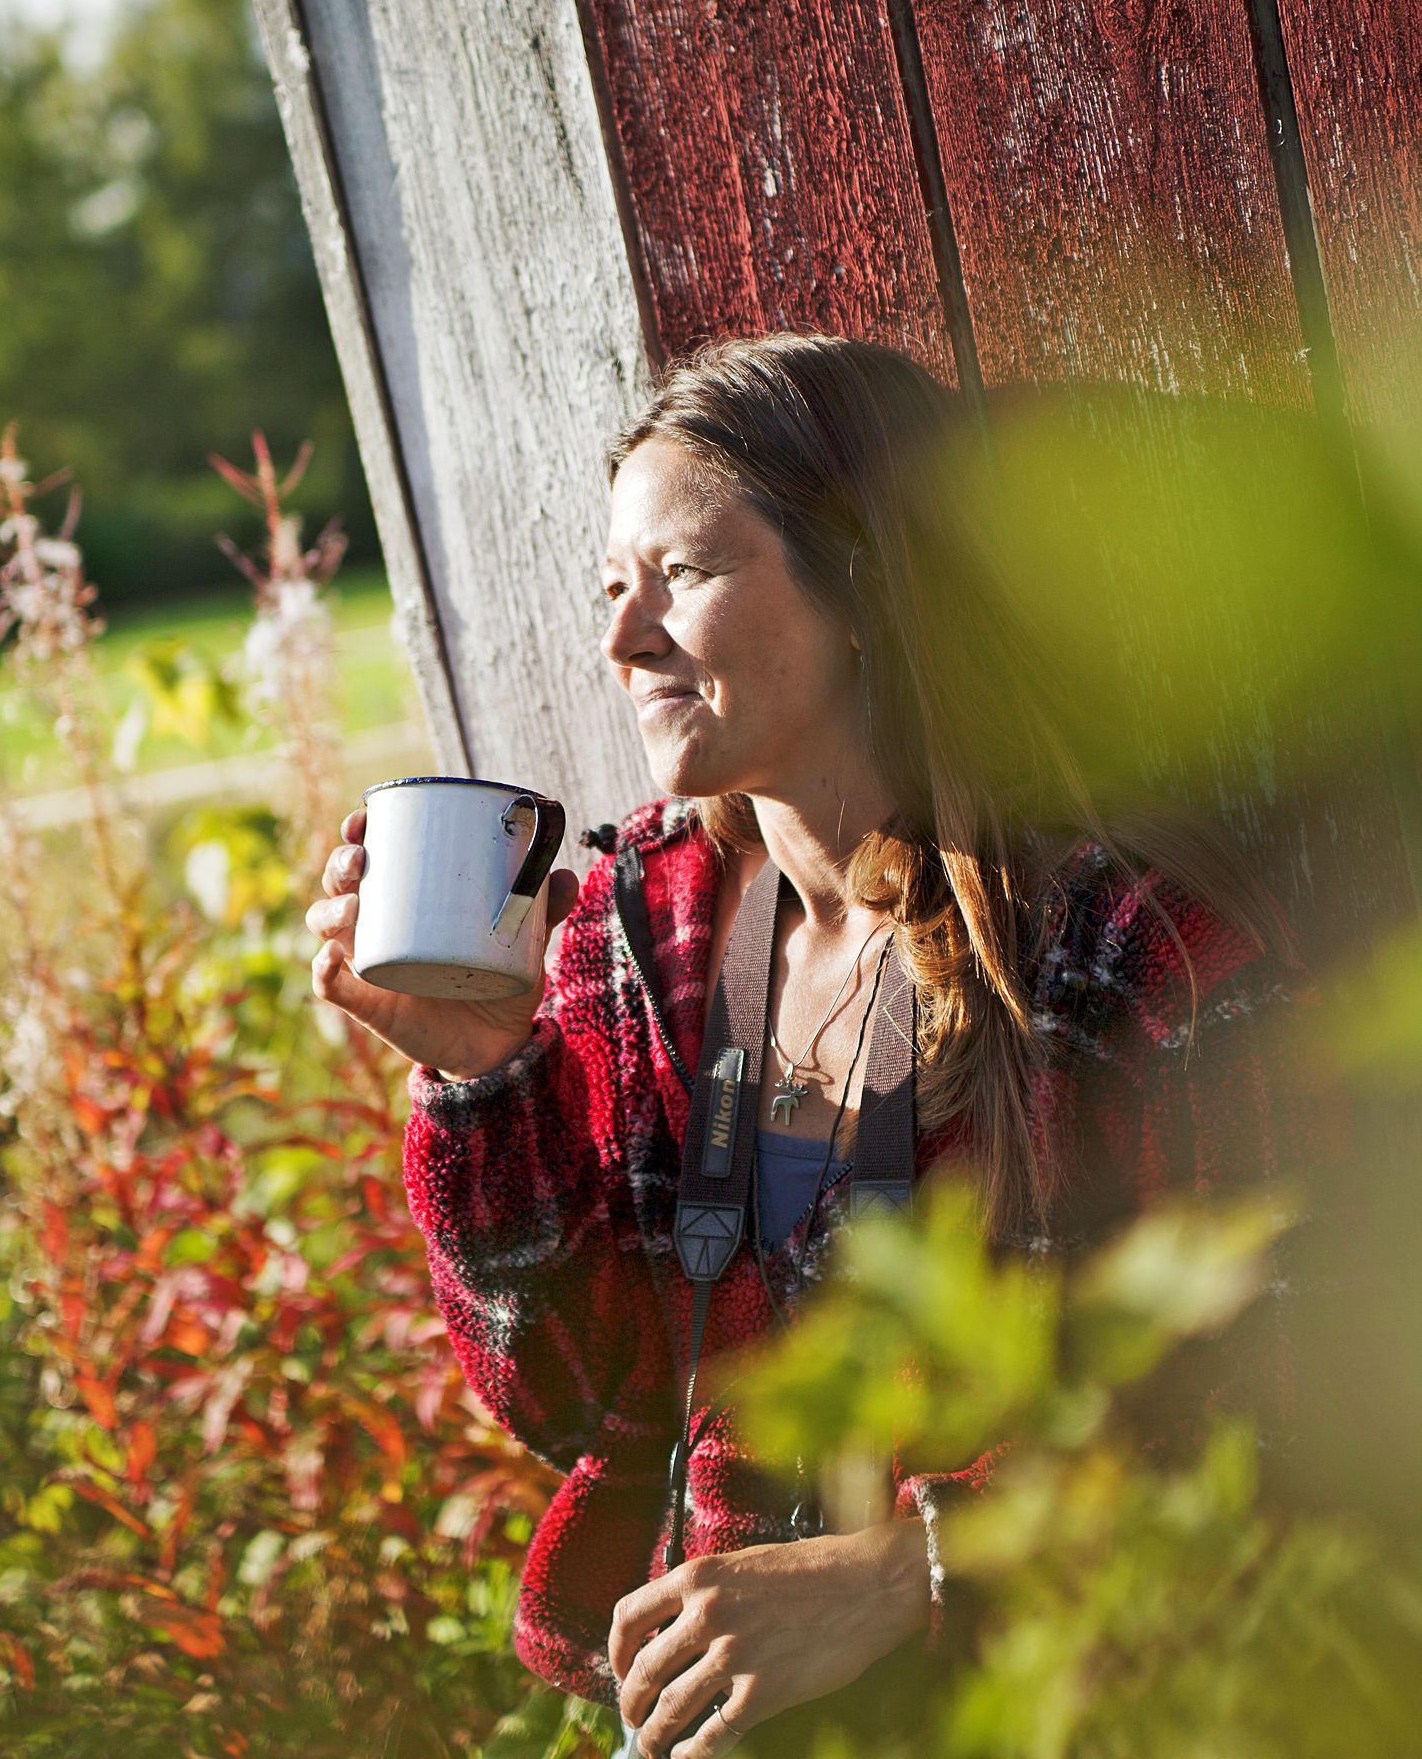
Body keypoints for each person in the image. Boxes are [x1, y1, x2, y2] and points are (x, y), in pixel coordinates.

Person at [306, 334, 1304, 1757]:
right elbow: (587, 1401)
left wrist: (918, 1565)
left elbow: (1292, 1392)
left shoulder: (1120, 952)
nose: (620, 639)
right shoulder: (628, 938)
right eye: (611, 587)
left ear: (861, 586)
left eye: (683, 575)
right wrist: (482, 1078)